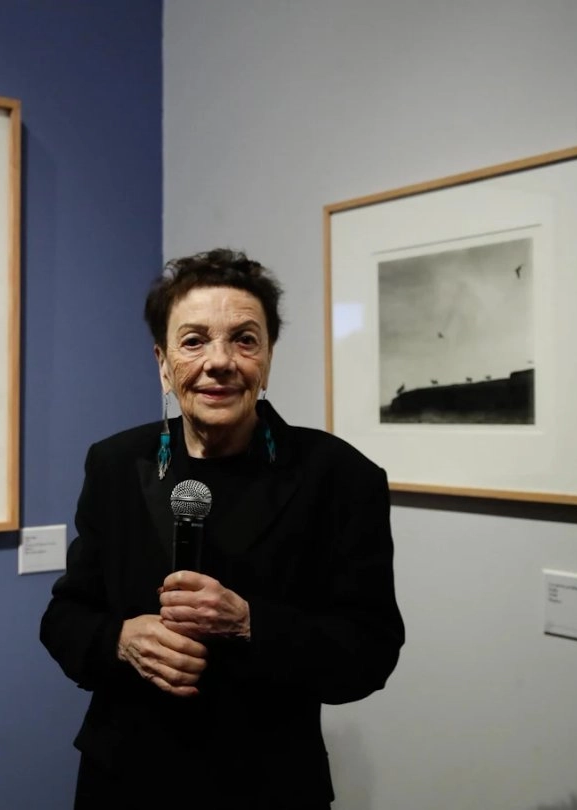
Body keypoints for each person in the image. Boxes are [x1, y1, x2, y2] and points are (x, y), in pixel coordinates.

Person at [39, 248, 404, 808]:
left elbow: (371, 651)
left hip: (268, 784)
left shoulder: (339, 476)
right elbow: (65, 617)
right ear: (163, 362)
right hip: (125, 777)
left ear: (268, 357)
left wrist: (251, 624)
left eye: (244, 339)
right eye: (194, 341)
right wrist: (119, 640)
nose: (220, 361)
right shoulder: (115, 464)